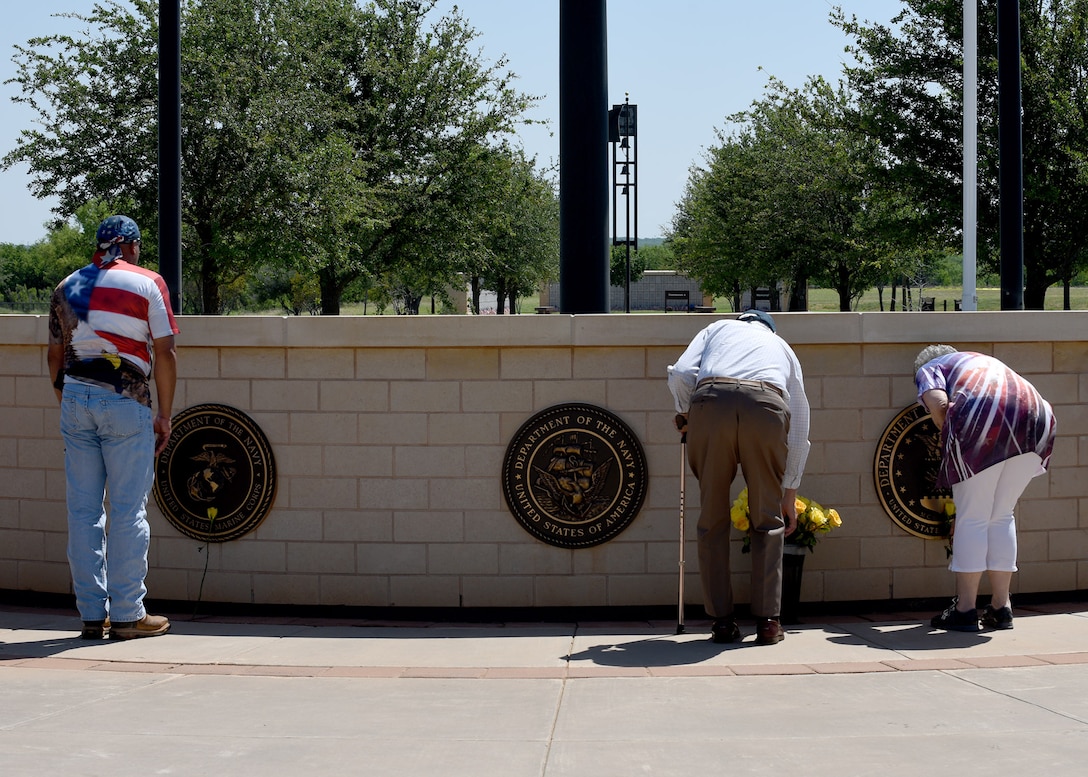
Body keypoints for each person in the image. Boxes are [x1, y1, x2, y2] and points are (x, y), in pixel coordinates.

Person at [48, 215, 179, 640]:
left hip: (75, 397)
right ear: (133, 246)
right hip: (126, 398)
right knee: (126, 509)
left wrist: (67, 400)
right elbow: (165, 351)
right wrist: (164, 414)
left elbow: (53, 356)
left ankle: (91, 614)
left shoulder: (67, 286)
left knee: (83, 512)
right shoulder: (148, 283)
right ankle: (127, 614)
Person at [667, 310, 810, 645]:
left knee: (712, 519)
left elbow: (683, 373)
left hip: (711, 401)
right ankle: (768, 623)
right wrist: (790, 492)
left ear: (741, 320)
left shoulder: (717, 328)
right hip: (766, 404)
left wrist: (686, 412)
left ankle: (722, 622)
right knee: (767, 518)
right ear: (767, 329)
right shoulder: (781, 346)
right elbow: (801, 421)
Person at [914, 345, 1056, 632]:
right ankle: (1000, 607)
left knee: (973, 516)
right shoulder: (979, 361)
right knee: (1002, 514)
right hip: (1038, 418)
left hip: (984, 420)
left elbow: (939, 403)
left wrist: (952, 440)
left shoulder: (930, 368)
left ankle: (965, 609)